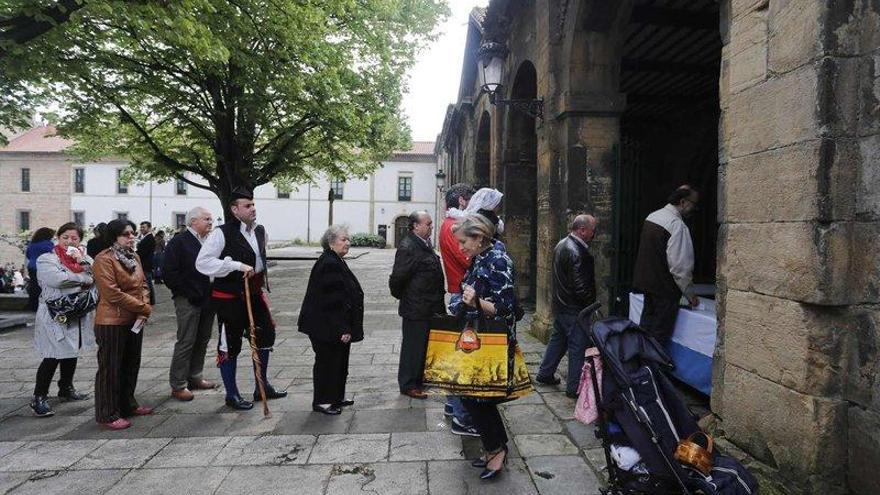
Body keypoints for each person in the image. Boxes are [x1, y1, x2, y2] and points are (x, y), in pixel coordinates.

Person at [196, 187, 287, 410]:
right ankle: (232, 394)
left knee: (265, 336)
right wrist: (234, 265)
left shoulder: (259, 231)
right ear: (235, 209)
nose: (253, 208)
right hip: (230, 297)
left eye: (253, 204)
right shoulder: (221, 233)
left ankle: (262, 386)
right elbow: (203, 263)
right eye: (247, 205)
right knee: (230, 343)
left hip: (255, 293)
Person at [449, 214, 518, 480]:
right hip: (475, 338)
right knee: (474, 397)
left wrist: (474, 301)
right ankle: (496, 447)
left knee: (478, 398)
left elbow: (505, 309)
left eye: (464, 241)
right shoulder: (481, 258)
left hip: (491, 341)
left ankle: (496, 450)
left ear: (479, 237)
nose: (460, 247)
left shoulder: (499, 260)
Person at [93, 219, 154, 430]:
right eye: (126, 234)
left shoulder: (134, 257)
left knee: (131, 363)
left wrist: (143, 306)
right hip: (112, 321)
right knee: (110, 367)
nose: (131, 237)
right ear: (114, 237)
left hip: (133, 319)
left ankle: (127, 404)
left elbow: (143, 284)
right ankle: (107, 413)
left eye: (132, 233)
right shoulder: (104, 259)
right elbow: (111, 293)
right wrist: (142, 307)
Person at [30, 223, 96, 417]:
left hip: (77, 312)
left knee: (71, 350)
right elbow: (57, 280)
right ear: (58, 238)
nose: (69, 241)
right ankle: (39, 396)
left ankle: (66, 388)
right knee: (53, 354)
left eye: (74, 238)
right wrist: (84, 278)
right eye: (65, 237)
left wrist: (82, 262)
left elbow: (98, 274)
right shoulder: (46, 259)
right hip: (54, 313)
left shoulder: (84, 258)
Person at [298, 225, 364, 415]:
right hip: (325, 326)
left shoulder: (335, 260)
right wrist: (342, 328)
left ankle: (336, 396)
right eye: (343, 239)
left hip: (331, 325)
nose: (347, 243)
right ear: (331, 242)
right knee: (327, 362)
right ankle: (323, 401)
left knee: (339, 361)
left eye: (348, 239)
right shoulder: (329, 263)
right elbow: (332, 301)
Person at [536, 214, 598, 398]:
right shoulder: (577, 251)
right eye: (593, 231)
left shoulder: (562, 244)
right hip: (574, 308)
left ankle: (545, 373)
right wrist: (590, 305)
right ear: (582, 230)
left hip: (561, 304)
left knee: (559, 339)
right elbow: (580, 286)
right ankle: (574, 387)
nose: (594, 235)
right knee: (577, 346)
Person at [388, 210, 445, 399]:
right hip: (416, 307)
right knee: (413, 347)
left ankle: (418, 380)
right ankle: (409, 384)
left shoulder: (422, 243)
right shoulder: (408, 246)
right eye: (428, 224)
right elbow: (397, 279)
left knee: (422, 346)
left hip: (427, 306)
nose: (431, 227)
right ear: (416, 226)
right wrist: (408, 297)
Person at [633, 185, 700, 342]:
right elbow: (680, 268)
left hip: (647, 285)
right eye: (693, 204)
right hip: (664, 290)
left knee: (645, 329)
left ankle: (640, 364)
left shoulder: (653, 216)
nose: (694, 209)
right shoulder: (676, 225)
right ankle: (651, 366)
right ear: (683, 202)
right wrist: (690, 295)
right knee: (658, 336)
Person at [437, 183, 479, 437]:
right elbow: (465, 257)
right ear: (463, 201)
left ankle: (454, 407)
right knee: (464, 355)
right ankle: (461, 416)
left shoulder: (450, 224)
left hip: (460, 292)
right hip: (461, 294)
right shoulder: (451, 227)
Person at [163, 207, 216, 401]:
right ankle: (178, 384)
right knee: (186, 340)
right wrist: (186, 292)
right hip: (188, 299)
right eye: (206, 219)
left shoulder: (209, 241)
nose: (210, 222)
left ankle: (195, 376)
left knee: (202, 339)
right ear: (193, 222)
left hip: (208, 298)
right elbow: (169, 272)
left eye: (211, 219)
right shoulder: (180, 242)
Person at [25, 227, 55, 311]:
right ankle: (40, 305)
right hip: (42, 267)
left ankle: (32, 305)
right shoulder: (48, 244)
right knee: (42, 287)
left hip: (31, 267)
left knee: (33, 286)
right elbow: (53, 255)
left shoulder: (32, 243)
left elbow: (28, 255)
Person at [136, 221, 156, 305]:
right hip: (145, 263)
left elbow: (142, 251)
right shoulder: (145, 237)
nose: (141, 229)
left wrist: (135, 253)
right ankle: (150, 299)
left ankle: (150, 300)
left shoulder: (149, 238)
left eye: (144, 227)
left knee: (147, 282)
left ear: (149, 228)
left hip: (146, 263)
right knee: (147, 282)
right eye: (141, 227)